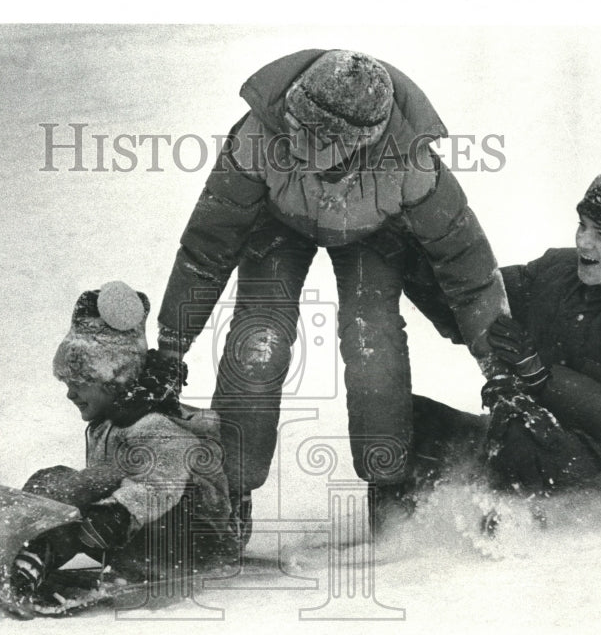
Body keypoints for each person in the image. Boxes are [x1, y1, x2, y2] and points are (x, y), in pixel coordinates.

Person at [155, 49, 510, 540]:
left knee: (373, 340)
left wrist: (499, 367)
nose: (293, 140)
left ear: (357, 145)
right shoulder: (260, 135)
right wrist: (171, 346)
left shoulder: (410, 162)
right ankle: (228, 494)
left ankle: (389, 486)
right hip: (278, 224)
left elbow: (467, 264)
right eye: (293, 123)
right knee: (259, 340)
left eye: (314, 137)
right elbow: (207, 244)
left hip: (373, 234)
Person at [403, 164, 601, 530]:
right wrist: (411, 260)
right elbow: (476, 299)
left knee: (520, 438)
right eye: (582, 225)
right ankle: (395, 540)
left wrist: (541, 378)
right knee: (407, 420)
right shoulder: (558, 274)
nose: (583, 241)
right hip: (547, 435)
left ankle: (509, 548)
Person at [9, 281, 240, 604]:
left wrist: (112, 514)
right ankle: (17, 543)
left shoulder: (153, 423)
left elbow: (164, 482)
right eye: (68, 382)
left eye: (81, 382)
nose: (70, 393)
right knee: (55, 480)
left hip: (196, 535)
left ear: (114, 379)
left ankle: (51, 553)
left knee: (111, 497)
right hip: (137, 526)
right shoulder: (105, 424)